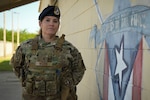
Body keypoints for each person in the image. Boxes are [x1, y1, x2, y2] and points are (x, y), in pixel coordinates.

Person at [10, 5, 86, 100]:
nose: (51, 24)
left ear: (58, 24)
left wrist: (67, 85)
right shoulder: (25, 47)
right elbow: (16, 65)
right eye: (47, 20)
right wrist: (26, 81)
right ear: (40, 23)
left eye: (55, 21)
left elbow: (79, 69)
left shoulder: (69, 48)